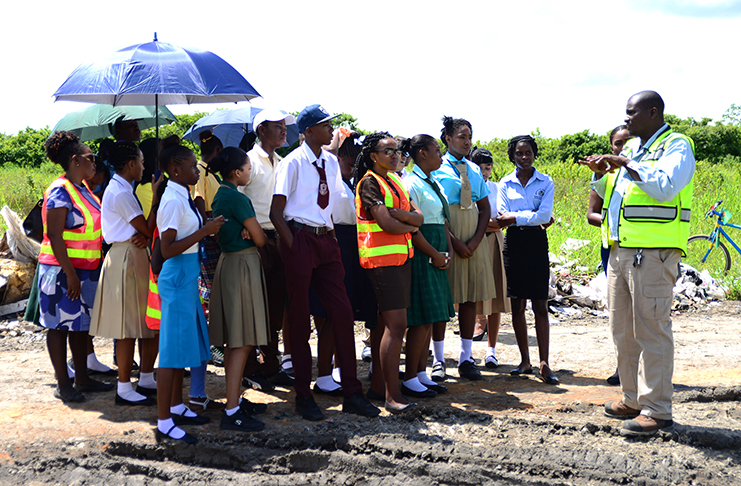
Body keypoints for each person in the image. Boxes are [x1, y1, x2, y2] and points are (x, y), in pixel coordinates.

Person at [580, 90, 695, 436]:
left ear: (653, 112)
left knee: (651, 329)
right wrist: (602, 172)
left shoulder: (677, 146)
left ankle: (657, 409)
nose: (626, 118)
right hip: (621, 250)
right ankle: (632, 397)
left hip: (654, 252)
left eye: (632, 113)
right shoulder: (632, 148)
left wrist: (627, 164)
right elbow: (614, 194)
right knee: (623, 330)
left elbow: (664, 187)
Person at [270, 104, 380, 421]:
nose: (331, 128)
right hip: (300, 237)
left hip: (326, 239)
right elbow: (276, 213)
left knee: (342, 314)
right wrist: (294, 246)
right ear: (307, 132)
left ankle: (351, 393)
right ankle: (304, 395)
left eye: (330, 123)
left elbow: (331, 204)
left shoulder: (330, 162)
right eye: (324, 124)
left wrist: (328, 238)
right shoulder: (292, 163)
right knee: (302, 320)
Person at [155, 138, 225, 444]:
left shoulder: (181, 195)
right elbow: (167, 249)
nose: (197, 170)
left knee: (186, 344)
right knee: (171, 353)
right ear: (174, 169)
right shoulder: (171, 201)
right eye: (190, 165)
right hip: (177, 275)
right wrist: (204, 231)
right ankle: (163, 420)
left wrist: (204, 223)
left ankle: (175, 405)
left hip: (187, 273)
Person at [38, 131, 113, 402]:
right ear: (75, 160)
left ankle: (82, 377)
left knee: (81, 325)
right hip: (61, 271)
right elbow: (55, 235)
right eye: (90, 158)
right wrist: (69, 273)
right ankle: (64, 383)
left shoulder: (83, 188)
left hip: (86, 269)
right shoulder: (60, 189)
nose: (95, 162)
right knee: (58, 327)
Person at [355, 132, 423, 412]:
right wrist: (408, 223)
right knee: (396, 327)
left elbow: (418, 217)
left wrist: (403, 218)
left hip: (399, 260)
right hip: (382, 263)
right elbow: (385, 223)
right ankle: (392, 395)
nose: (395, 156)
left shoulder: (395, 180)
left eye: (396, 151)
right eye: (388, 151)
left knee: (387, 326)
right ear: (373, 156)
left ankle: (378, 388)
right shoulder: (369, 182)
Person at [89, 141, 160, 406]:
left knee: (142, 321)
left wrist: (142, 234)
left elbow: (142, 232)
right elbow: (146, 229)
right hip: (126, 257)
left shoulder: (122, 189)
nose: (143, 167)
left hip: (130, 255)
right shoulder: (121, 193)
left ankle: (145, 377)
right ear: (131, 164)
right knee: (128, 325)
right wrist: (154, 197)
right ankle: (123, 387)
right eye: (141, 162)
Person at [309, 130, 378, 396]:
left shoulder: (359, 181)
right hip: (337, 242)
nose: (352, 168)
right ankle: (326, 373)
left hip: (358, 245)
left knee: (353, 311)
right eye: (349, 162)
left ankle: (348, 367)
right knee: (330, 313)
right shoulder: (330, 177)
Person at [209, 147, 269, 433]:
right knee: (241, 340)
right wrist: (253, 231)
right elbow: (259, 238)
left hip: (229, 263)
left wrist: (248, 231)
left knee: (238, 339)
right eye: (248, 167)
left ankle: (234, 401)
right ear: (237, 172)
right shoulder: (237, 197)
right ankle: (231, 409)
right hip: (242, 266)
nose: (250, 171)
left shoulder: (221, 194)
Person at [430, 117, 496, 382]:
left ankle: (466, 357)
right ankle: (437, 359)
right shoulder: (436, 168)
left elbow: (485, 207)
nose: (467, 141)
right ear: (447, 138)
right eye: (461, 136)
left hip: (473, 235)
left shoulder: (473, 169)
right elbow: (434, 209)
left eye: (469, 136)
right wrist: (455, 241)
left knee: (470, 297)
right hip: (447, 233)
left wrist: (476, 240)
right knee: (443, 298)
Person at [241, 109, 297, 390]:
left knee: (276, 306)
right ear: (261, 130)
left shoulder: (283, 162)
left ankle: (271, 364)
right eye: (277, 127)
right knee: (254, 306)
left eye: (284, 126)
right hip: (256, 239)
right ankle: (250, 367)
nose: (284, 131)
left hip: (279, 237)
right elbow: (238, 199)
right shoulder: (249, 161)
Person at [496, 135, 557, 384]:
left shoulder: (546, 182)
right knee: (517, 305)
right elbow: (501, 216)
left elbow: (544, 216)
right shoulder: (505, 183)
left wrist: (516, 217)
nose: (524, 157)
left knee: (540, 305)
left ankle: (545, 363)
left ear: (534, 154)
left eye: (528, 152)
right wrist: (527, 216)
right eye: (519, 153)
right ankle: (524, 361)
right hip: (514, 245)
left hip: (536, 244)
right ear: (513, 156)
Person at [400, 134, 454, 397]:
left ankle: (421, 373)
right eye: (436, 150)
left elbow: (442, 220)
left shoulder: (432, 181)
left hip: (437, 248)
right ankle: (410, 376)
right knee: (420, 317)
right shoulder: (410, 184)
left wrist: (447, 251)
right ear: (422, 153)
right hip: (424, 251)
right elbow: (413, 227)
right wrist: (434, 252)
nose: (440, 155)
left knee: (431, 317)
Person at [587, 125, 632, 386]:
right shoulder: (605, 176)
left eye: (628, 142)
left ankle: (639, 370)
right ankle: (622, 367)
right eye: (618, 143)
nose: (622, 147)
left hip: (641, 249)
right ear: (611, 147)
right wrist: (613, 219)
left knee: (642, 314)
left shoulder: (644, 172)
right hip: (612, 249)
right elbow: (592, 214)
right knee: (620, 313)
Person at [471, 148, 511, 368]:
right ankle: (466, 350)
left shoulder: (496, 187)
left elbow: (502, 217)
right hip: (474, 242)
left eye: (488, 168)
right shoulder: (466, 187)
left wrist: (491, 223)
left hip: (494, 241)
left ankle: (491, 349)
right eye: (480, 168)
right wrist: (489, 222)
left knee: (495, 295)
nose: (485, 172)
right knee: (471, 296)